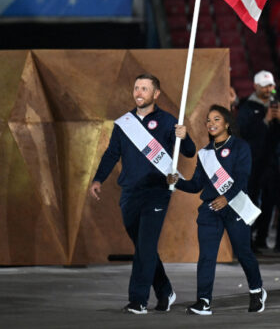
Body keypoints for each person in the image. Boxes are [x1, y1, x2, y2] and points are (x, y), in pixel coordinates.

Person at [88, 73, 196, 314]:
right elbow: (111, 154)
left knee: (146, 246)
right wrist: (98, 179)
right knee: (143, 246)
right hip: (130, 193)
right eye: (136, 88)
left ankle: (138, 300)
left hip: (157, 191)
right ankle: (165, 291)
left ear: (156, 94)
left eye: (145, 89)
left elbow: (189, 152)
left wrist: (184, 136)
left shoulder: (169, 121)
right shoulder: (124, 123)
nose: (139, 92)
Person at [167, 105, 266, 315]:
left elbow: (241, 178)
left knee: (243, 252)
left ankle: (256, 290)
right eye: (208, 120)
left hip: (234, 207)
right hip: (210, 208)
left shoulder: (240, 147)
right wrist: (177, 181)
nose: (211, 123)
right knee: (206, 256)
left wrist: (226, 197)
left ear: (227, 123)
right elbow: (196, 185)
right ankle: (203, 301)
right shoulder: (204, 154)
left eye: (216, 119)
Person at [237, 71, 280, 252]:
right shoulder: (247, 107)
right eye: (266, 86)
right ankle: (248, 241)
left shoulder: (276, 105)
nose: (269, 89)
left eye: (271, 86)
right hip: (254, 163)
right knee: (252, 202)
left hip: (273, 162)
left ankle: (271, 240)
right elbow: (244, 133)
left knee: (276, 202)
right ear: (256, 86)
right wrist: (264, 121)